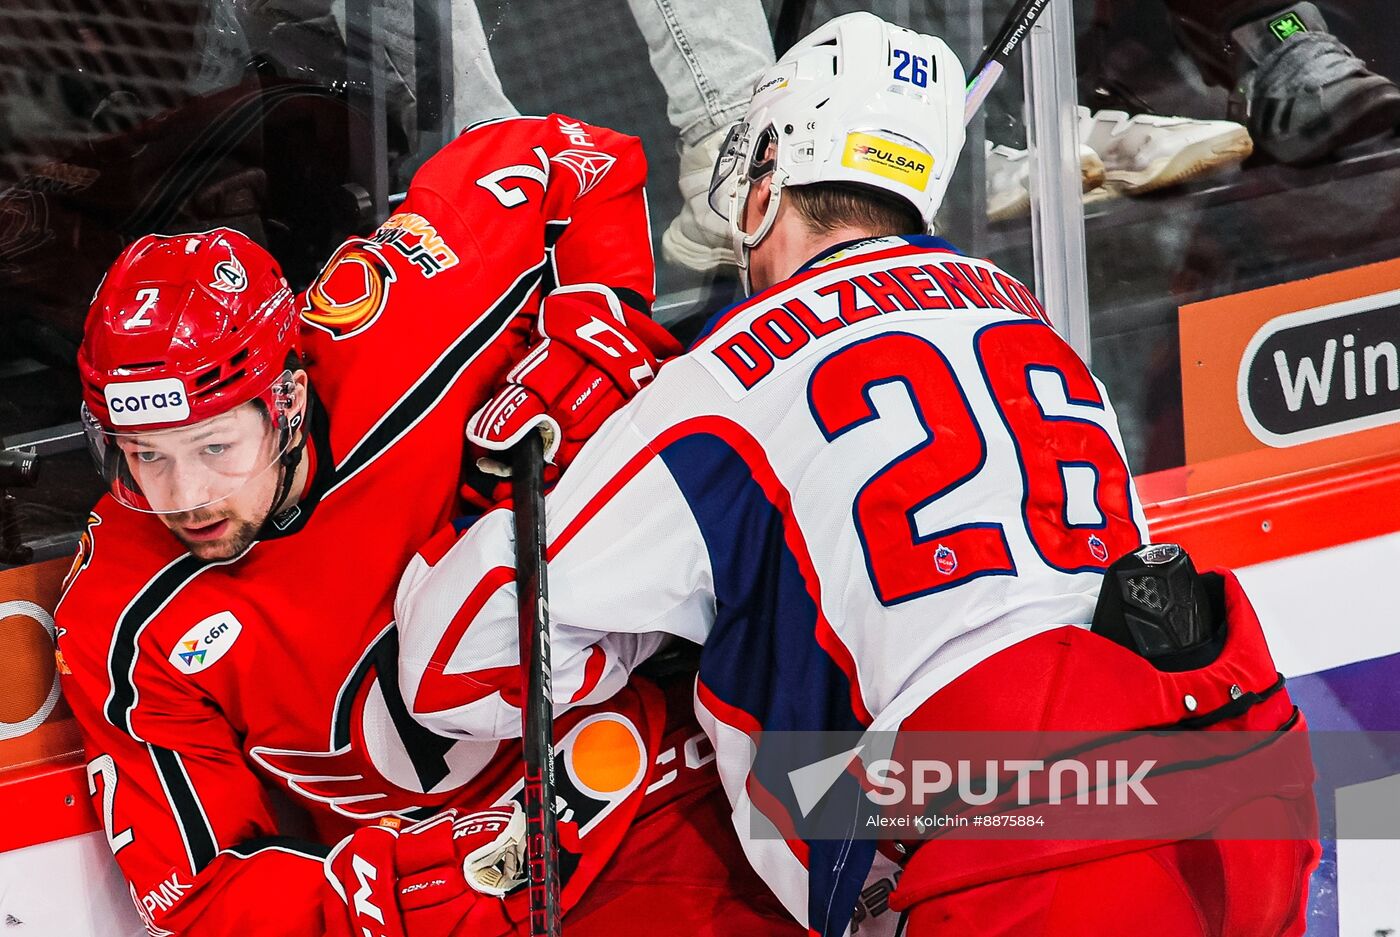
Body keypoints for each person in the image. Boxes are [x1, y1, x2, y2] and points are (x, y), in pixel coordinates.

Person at [395, 13, 1320, 937]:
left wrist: (640, 628)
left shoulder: (726, 378)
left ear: (768, 181)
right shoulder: (1032, 320)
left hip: (1021, 858)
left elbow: (451, 658)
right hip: (1234, 798)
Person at [55, 113, 799, 937]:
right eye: (142, 455)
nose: (185, 494)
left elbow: (576, 159)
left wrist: (597, 320)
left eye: (215, 445)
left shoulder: (392, 327)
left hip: (654, 795)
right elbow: (197, 896)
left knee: (933, 807)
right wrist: (388, 894)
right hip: (450, 909)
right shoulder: (118, 610)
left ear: (288, 400)